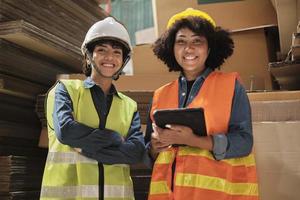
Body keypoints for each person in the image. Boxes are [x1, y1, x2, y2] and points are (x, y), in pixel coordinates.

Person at [145, 8, 259, 200]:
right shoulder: (160, 95)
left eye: (197, 41)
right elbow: (150, 151)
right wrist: (155, 146)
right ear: (171, 48)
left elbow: (244, 142)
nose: (188, 48)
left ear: (210, 48)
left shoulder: (231, 86)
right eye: (181, 41)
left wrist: (195, 141)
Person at [40, 17, 146, 200]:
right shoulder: (65, 90)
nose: (110, 57)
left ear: (123, 61)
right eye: (101, 50)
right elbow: (66, 131)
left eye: (117, 52)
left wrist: (88, 149)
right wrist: (114, 138)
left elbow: (136, 152)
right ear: (88, 57)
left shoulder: (130, 106)